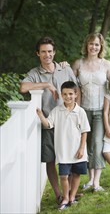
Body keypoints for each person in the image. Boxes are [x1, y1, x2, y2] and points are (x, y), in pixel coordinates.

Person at [20, 37, 78, 204]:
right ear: (38, 53)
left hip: (68, 121)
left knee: (71, 157)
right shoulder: (35, 73)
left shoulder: (65, 69)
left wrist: (77, 112)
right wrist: (45, 84)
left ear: (54, 52)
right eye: (43, 52)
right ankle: (59, 195)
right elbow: (23, 87)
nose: (47, 55)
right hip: (48, 123)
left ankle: (70, 194)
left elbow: (76, 90)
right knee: (51, 159)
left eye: (50, 51)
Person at [36, 81, 90, 210]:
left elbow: (84, 131)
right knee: (64, 176)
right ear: (61, 95)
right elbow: (48, 124)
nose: (68, 97)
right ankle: (65, 197)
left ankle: (72, 197)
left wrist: (82, 148)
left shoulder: (80, 111)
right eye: (65, 94)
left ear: (76, 94)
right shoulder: (57, 110)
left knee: (76, 174)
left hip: (78, 150)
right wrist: (40, 115)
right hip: (63, 151)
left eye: (71, 94)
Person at [72, 32, 110, 192]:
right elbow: (68, 82)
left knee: (97, 143)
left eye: (97, 44)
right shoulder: (78, 63)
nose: (94, 47)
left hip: (100, 111)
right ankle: (90, 180)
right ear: (86, 45)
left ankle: (97, 182)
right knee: (87, 145)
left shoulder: (106, 65)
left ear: (100, 46)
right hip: (83, 111)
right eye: (91, 44)